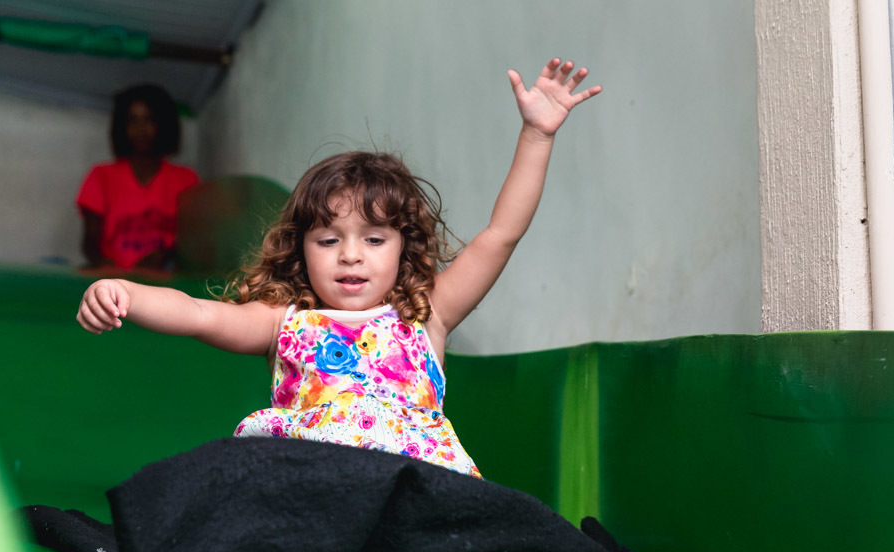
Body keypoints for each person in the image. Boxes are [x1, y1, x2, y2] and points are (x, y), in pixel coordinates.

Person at [76, 58, 601, 479]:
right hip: (312, 483)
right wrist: (124, 291)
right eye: (328, 240)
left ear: (403, 247)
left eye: (374, 239)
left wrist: (537, 135)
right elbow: (197, 314)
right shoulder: (285, 321)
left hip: (412, 487)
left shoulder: (427, 315)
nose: (351, 255)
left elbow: (500, 235)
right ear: (300, 249)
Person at [76, 84, 200, 270]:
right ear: (121, 127)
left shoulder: (186, 180)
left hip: (168, 288)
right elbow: (90, 242)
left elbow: (195, 243)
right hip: (113, 285)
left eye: (149, 119)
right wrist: (104, 266)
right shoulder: (101, 175)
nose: (140, 129)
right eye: (132, 120)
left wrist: (164, 256)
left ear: (164, 124)